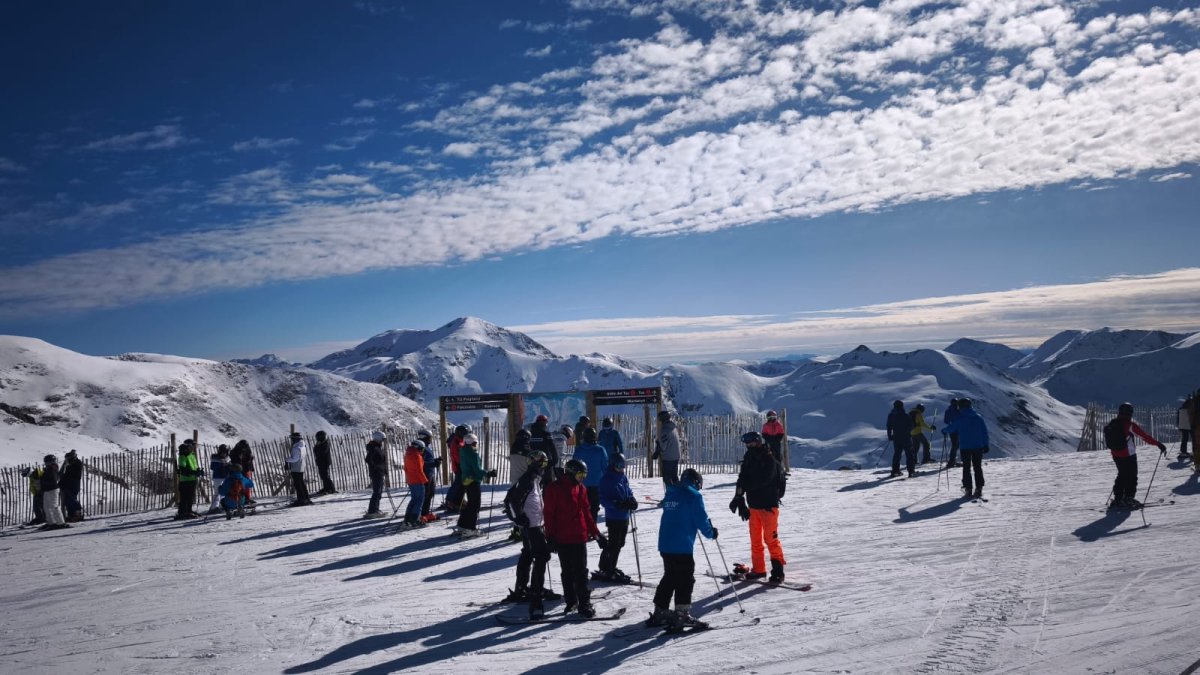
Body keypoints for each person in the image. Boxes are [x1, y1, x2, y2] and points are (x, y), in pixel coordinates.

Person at [649, 467, 716, 631]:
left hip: (665, 543)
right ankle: (681, 614)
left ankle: (661, 610)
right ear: (696, 481)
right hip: (681, 545)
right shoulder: (694, 495)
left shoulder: (671, 492)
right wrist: (711, 533)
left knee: (670, 576)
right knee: (685, 579)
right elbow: (701, 520)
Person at [502, 450, 561, 618]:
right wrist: (519, 518)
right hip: (531, 526)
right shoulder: (528, 480)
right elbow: (511, 500)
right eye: (542, 463)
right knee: (542, 556)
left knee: (529, 553)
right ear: (535, 464)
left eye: (545, 463)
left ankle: (522, 588)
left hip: (535, 524)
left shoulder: (534, 479)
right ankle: (535, 591)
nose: (545, 467)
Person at [544, 458, 606, 617]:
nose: (582, 479)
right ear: (571, 473)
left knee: (581, 571)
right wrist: (549, 537)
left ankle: (584, 603)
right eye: (580, 475)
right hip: (562, 537)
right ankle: (571, 601)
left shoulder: (581, 489)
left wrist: (596, 534)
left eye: (584, 476)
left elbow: (586, 513)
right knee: (567, 572)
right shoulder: (554, 489)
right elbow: (549, 514)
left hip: (579, 536)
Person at [729, 432, 788, 582]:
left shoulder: (768, 458)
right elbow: (742, 478)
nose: (749, 446)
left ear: (758, 441)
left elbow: (764, 480)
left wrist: (746, 488)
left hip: (768, 506)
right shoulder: (749, 457)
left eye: (752, 443)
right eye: (747, 444)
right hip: (754, 506)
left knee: (771, 540)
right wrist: (738, 496)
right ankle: (759, 569)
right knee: (755, 540)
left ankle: (778, 572)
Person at [1101, 402, 1167, 509]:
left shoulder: (1113, 423)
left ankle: (1118, 498)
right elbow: (1144, 437)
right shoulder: (1129, 425)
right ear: (1130, 413)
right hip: (1128, 454)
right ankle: (1128, 498)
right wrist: (1158, 444)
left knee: (1122, 475)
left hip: (1115, 454)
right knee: (1132, 476)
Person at [595, 453, 638, 583]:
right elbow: (603, 499)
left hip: (624, 515)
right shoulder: (606, 479)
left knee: (620, 543)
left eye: (623, 465)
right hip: (613, 516)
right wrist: (616, 504)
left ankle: (611, 566)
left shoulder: (622, 477)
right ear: (613, 465)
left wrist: (631, 499)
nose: (621, 468)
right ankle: (606, 567)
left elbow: (628, 490)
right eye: (619, 465)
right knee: (614, 543)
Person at [941, 398, 991, 498]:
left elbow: (951, 428)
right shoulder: (978, 417)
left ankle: (968, 489)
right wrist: (986, 445)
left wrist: (944, 431)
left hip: (965, 447)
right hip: (978, 446)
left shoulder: (959, 418)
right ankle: (979, 488)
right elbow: (984, 433)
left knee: (966, 468)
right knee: (977, 467)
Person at [454, 433, 496, 537]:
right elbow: (477, 469)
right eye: (475, 443)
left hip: (466, 479)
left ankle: (462, 525)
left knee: (470, 503)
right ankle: (470, 528)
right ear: (473, 442)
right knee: (475, 505)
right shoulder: (473, 453)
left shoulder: (462, 450)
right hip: (473, 480)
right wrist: (488, 473)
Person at [572, 427, 609, 526]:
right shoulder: (600, 450)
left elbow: (573, 466)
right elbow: (605, 467)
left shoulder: (578, 450)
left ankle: (583, 527)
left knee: (582, 507)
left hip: (581, 484)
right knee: (594, 508)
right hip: (596, 484)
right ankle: (591, 528)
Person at [506, 428, 534, 541]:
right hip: (524, 481)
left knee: (516, 505)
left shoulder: (513, 448)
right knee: (525, 506)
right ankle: (523, 530)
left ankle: (516, 529)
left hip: (514, 480)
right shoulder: (527, 450)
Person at [441, 424, 470, 512]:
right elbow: (458, 456)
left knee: (461, 485)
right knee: (458, 485)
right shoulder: (457, 442)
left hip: (460, 466)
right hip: (460, 467)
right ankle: (451, 502)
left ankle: (458, 501)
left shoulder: (458, 440)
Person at [402, 439, 429, 528]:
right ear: (418, 447)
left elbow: (405, 468)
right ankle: (415, 519)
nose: (422, 451)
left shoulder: (408, 454)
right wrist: (425, 481)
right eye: (422, 449)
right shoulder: (417, 456)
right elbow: (419, 470)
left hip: (411, 480)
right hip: (418, 481)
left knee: (414, 499)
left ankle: (408, 519)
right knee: (419, 500)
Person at [416, 429, 441, 522]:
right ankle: (421, 514)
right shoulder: (421, 447)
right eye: (430, 438)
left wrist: (435, 460)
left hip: (430, 473)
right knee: (425, 495)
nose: (431, 440)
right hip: (425, 475)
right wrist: (433, 463)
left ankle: (425, 513)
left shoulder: (425, 447)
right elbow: (420, 463)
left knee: (430, 493)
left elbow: (427, 460)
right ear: (425, 437)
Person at [39, 454, 69, 530]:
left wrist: (43, 481)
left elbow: (53, 480)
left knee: (54, 506)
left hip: (52, 489)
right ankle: (51, 523)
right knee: (46, 507)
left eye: (46, 461)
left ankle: (61, 523)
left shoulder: (53, 469)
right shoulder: (48, 469)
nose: (45, 463)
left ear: (51, 461)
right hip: (47, 489)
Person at [886, 400, 915, 478]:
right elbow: (911, 426)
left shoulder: (891, 416)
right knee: (909, 455)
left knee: (897, 454)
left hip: (896, 438)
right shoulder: (906, 415)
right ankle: (911, 472)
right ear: (902, 406)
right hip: (906, 438)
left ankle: (895, 471)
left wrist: (889, 436)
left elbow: (889, 427)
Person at [176, 439, 204, 520]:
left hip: (192, 479)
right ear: (188, 446)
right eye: (193, 446)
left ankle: (189, 511)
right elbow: (183, 470)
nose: (194, 447)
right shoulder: (183, 456)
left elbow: (193, 466)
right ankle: (182, 513)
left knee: (191, 496)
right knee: (185, 497)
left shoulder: (192, 454)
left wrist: (198, 471)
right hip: (185, 480)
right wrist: (194, 472)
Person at [653, 410, 681, 486]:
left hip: (669, 457)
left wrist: (658, 447)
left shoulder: (665, 429)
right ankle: (678, 494)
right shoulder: (673, 427)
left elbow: (663, 446)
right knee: (674, 477)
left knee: (667, 478)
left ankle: (670, 495)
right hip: (676, 455)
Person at [364, 430, 388, 518]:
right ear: (378, 438)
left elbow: (380, 460)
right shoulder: (374, 448)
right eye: (382, 439)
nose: (382, 441)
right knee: (377, 492)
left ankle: (375, 509)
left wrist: (383, 470)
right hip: (376, 473)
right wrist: (376, 467)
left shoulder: (376, 447)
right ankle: (372, 510)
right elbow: (368, 459)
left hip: (379, 472)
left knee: (378, 491)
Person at [528, 415, 558, 486]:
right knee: (547, 484)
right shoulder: (546, 434)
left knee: (534, 484)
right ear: (545, 423)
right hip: (546, 463)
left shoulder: (530, 434)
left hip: (532, 462)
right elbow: (552, 447)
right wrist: (554, 460)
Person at [286, 431, 313, 507]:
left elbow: (295, 459)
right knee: (301, 483)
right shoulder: (303, 446)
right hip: (301, 466)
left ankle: (301, 499)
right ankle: (305, 498)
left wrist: (287, 459)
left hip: (296, 467)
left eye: (292, 439)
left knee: (298, 484)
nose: (292, 440)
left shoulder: (296, 448)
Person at [61, 449, 84, 522]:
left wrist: (63, 482)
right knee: (68, 501)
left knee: (72, 500)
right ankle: (71, 515)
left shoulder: (76, 464)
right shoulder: (71, 465)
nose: (67, 461)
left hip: (73, 484)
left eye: (68, 459)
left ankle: (77, 515)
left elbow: (69, 476)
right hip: (69, 484)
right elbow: (66, 476)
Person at [231, 440, 256, 505]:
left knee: (247, 484)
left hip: (247, 469)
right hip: (239, 470)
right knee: (240, 485)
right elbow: (234, 459)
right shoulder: (235, 450)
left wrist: (250, 459)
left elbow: (249, 457)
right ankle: (241, 499)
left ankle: (247, 498)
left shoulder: (247, 448)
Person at [208, 445, 231, 514]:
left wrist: (228, 466)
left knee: (224, 492)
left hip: (225, 477)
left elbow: (229, 467)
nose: (224, 454)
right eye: (222, 452)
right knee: (218, 492)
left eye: (225, 452)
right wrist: (221, 465)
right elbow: (212, 467)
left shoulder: (227, 458)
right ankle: (214, 507)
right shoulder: (215, 458)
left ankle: (222, 505)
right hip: (218, 477)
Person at [313, 430, 337, 496]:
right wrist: (317, 446)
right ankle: (326, 488)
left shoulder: (325, 443)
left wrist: (318, 447)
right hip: (320, 462)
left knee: (325, 475)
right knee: (323, 475)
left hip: (325, 462)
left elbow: (322, 452)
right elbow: (315, 450)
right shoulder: (320, 443)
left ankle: (331, 488)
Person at [943, 398, 962, 469]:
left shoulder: (947, 411)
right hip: (958, 430)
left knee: (954, 445)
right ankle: (952, 461)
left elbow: (945, 421)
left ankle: (952, 460)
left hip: (951, 430)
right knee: (956, 445)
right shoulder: (958, 411)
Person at [1178, 394, 1193, 460]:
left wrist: (1179, 425)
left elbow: (1178, 418)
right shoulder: (1191, 408)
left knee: (1184, 439)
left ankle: (1183, 451)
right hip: (1189, 425)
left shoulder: (1181, 408)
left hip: (1182, 426)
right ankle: (1195, 452)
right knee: (1194, 439)